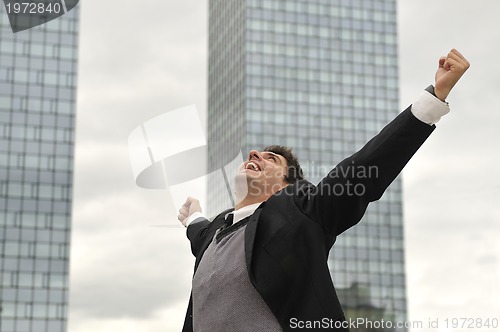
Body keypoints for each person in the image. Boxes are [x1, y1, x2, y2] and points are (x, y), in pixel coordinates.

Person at [177, 49, 470, 332]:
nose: (254, 154)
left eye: (271, 159)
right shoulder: (213, 233)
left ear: (286, 185)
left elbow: (365, 168)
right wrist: (193, 217)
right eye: (256, 154)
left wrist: (432, 101)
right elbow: (198, 232)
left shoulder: (300, 212)